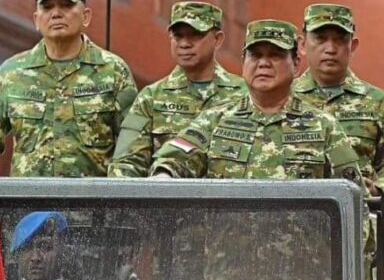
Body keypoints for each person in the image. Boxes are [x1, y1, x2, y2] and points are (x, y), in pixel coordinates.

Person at [0, 0, 137, 178]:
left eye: (66, 5)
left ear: (86, 16)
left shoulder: (113, 71)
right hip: (29, 207)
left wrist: (116, 201)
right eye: (47, 7)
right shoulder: (13, 73)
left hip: (93, 207)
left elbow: (134, 148)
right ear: (36, 20)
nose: (56, 14)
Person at [149, 19, 363, 182]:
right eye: (255, 55)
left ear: (296, 64)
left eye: (275, 56)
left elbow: (354, 199)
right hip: (226, 241)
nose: (263, 63)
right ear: (244, 62)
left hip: (300, 242)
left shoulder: (324, 127)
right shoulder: (213, 121)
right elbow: (172, 161)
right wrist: (164, 176)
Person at [108, 1, 246, 177]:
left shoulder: (243, 96)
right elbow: (125, 163)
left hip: (228, 201)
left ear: (217, 39)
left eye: (195, 35)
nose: (184, 44)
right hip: (165, 199)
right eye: (178, 36)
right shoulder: (151, 98)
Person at [293, 3, 384, 196]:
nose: (330, 49)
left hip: (357, 218)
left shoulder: (376, 103)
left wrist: (378, 188)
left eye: (340, 40)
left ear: (353, 46)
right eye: (320, 38)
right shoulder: (284, 98)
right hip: (293, 215)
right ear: (302, 45)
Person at [8, 211, 85, 280]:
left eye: (45, 247)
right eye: (27, 248)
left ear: (62, 254)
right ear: (18, 256)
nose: (35, 258)